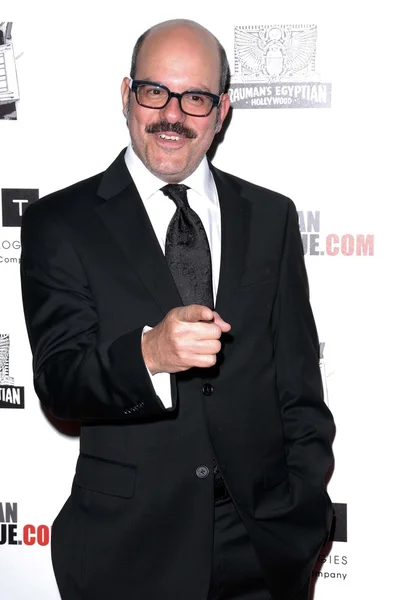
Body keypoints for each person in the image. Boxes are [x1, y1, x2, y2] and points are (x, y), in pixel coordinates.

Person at [20, 19, 334, 600]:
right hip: (126, 551)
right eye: (154, 92)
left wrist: (302, 508)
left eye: (195, 98)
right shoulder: (58, 223)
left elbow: (298, 384)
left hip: (262, 545)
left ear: (222, 110)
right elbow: (59, 383)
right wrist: (150, 355)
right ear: (126, 95)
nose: (172, 114)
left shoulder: (271, 218)